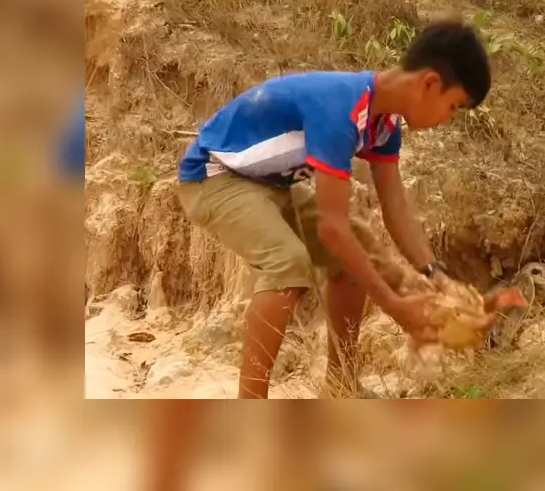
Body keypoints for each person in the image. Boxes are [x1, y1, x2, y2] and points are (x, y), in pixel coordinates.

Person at [175, 20, 494, 400]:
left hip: (271, 184)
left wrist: (437, 276)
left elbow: (395, 208)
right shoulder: (341, 110)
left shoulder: (384, 124)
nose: (446, 119)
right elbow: (332, 230)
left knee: (354, 255)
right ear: (429, 83)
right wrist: (396, 308)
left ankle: (341, 386)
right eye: (453, 106)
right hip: (214, 177)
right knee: (288, 262)